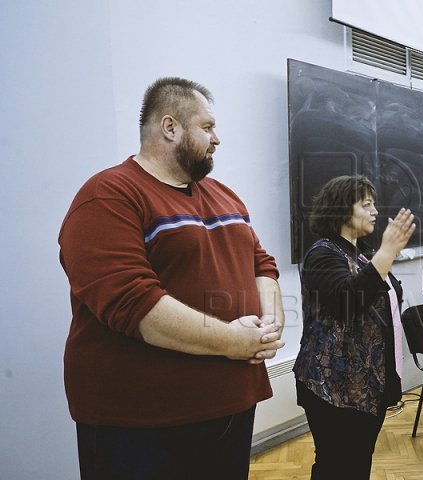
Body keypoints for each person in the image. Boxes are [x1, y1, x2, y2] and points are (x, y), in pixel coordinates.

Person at [58, 77, 285, 479]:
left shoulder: (224, 195)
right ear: (170, 128)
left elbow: (262, 266)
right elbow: (135, 303)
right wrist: (233, 341)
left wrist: (268, 324)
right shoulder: (109, 195)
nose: (217, 139)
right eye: (208, 127)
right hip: (142, 424)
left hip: (231, 407)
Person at [293, 175, 416, 480]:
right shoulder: (322, 253)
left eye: (373, 204)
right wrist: (387, 251)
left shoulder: (358, 255)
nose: (375, 211)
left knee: (356, 464)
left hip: (362, 389)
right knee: (337, 467)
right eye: (366, 205)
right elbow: (347, 301)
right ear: (341, 211)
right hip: (333, 390)